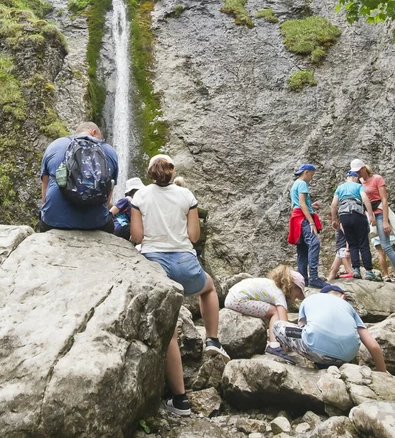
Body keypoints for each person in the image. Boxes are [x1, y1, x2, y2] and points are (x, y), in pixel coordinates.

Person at [130, 154, 228, 416]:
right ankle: (213, 340)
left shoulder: (139, 196)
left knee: (169, 331)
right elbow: (194, 236)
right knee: (208, 289)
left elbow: (137, 236)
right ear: (172, 172)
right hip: (185, 262)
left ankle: (181, 400)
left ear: (150, 173)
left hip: (155, 265)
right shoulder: (187, 196)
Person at [271, 284, 387, 372]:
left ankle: (282, 352)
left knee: (278, 325)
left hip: (315, 349)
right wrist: (383, 372)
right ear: (343, 297)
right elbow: (373, 346)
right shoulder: (348, 307)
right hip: (346, 356)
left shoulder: (310, 300)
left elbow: (303, 329)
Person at [39, 122, 118, 233]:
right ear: (94, 132)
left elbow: (44, 196)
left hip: (54, 221)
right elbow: (107, 200)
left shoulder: (55, 145)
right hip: (95, 223)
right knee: (111, 223)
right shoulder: (110, 152)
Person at [225, 265, 307, 363]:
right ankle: (274, 346)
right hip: (238, 299)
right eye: (297, 295)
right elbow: (284, 324)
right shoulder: (279, 294)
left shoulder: (272, 286)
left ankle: (275, 343)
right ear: (292, 286)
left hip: (233, 296)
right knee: (275, 312)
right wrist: (286, 348)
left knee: (273, 311)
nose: (295, 299)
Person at [352, 159, 395, 283]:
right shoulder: (359, 183)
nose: (357, 174)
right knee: (367, 244)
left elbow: (384, 200)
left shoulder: (377, 178)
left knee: (386, 246)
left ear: (363, 169)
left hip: (380, 213)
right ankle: (369, 272)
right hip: (368, 215)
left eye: (358, 171)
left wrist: (385, 221)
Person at [330, 170, 378, 281]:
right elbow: (365, 199)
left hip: (344, 217)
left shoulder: (340, 188)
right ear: (356, 178)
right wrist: (371, 216)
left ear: (347, 178)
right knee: (363, 243)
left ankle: (355, 269)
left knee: (352, 244)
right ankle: (369, 271)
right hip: (357, 215)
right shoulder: (358, 186)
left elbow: (333, 205)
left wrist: (334, 219)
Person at [287, 163, 324, 288]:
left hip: (295, 218)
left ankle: (303, 280)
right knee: (314, 243)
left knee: (302, 249)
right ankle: (313, 277)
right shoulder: (302, 184)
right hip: (303, 219)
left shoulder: (294, 184)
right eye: (311, 175)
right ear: (307, 172)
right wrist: (311, 222)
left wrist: (311, 206)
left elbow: (295, 205)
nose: (311, 178)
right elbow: (302, 204)